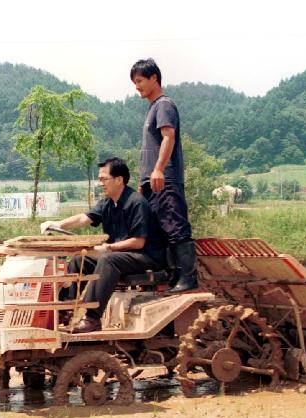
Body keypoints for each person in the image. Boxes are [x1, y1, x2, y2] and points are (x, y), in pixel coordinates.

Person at [40, 157, 165, 333]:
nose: (101, 183)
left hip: (146, 256)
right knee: (79, 259)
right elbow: (84, 218)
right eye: (100, 179)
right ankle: (64, 310)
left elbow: (138, 242)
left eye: (104, 179)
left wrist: (108, 248)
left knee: (108, 260)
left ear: (119, 179)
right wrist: (58, 224)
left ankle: (92, 318)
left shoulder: (136, 202)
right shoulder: (107, 202)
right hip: (120, 255)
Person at [130, 58, 198, 293]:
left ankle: (188, 278)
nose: (136, 86)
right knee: (159, 228)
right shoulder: (152, 108)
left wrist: (158, 169)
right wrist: (144, 180)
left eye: (139, 81)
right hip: (153, 181)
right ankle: (171, 276)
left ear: (154, 78)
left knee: (175, 225)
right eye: (134, 82)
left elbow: (168, 137)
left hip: (165, 178)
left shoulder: (164, 105)